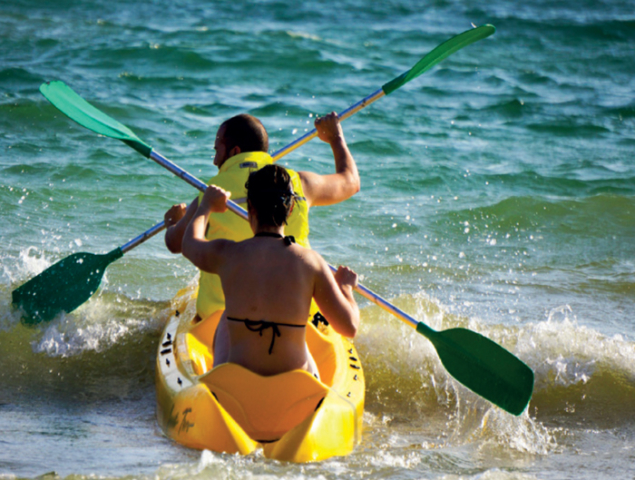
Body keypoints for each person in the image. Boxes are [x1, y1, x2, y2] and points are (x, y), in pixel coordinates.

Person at [164, 112, 360, 323]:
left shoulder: (212, 195)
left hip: (220, 318)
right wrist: (335, 138)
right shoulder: (297, 184)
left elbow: (176, 243)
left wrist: (173, 222)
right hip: (297, 314)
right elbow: (351, 181)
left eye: (217, 150)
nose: (214, 160)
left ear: (235, 151)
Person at [181, 165, 360, 377]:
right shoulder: (311, 263)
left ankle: (218, 377)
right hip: (296, 382)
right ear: (291, 209)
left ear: (250, 208)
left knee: (225, 317)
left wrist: (206, 206)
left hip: (238, 379)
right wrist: (346, 289)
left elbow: (189, 244)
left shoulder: (228, 254)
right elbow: (349, 327)